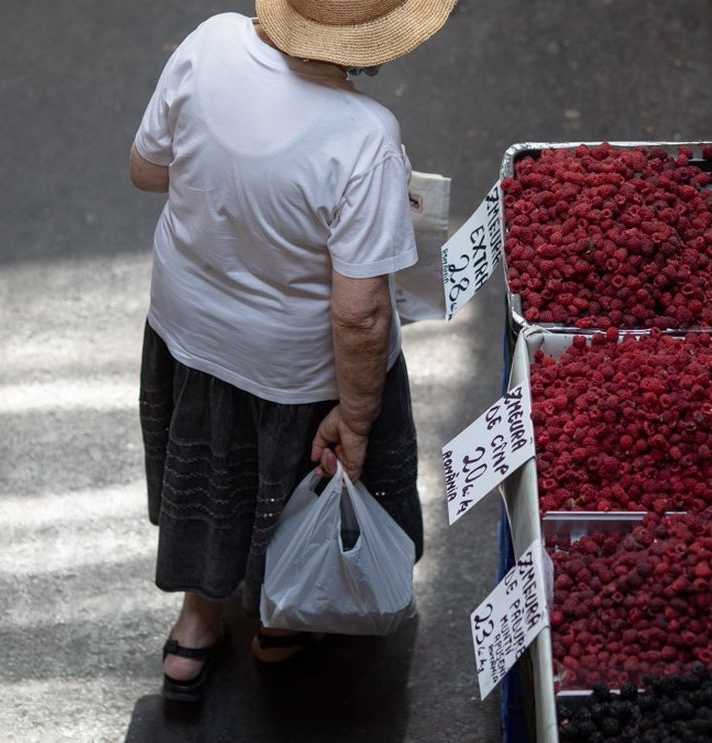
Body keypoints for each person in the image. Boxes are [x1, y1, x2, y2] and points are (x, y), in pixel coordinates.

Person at [129, 0, 455, 703]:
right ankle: (285, 621)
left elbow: (147, 169)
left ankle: (195, 626)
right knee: (294, 483)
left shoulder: (210, 43)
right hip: (296, 374)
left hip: (189, 334)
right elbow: (360, 314)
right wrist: (358, 420)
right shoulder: (363, 136)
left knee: (215, 472)